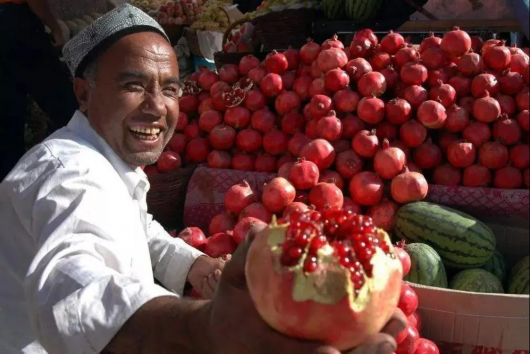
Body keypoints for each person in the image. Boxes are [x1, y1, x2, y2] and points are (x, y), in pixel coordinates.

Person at [0, 4, 406, 354]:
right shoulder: (69, 173)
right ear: (84, 94)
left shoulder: (110, 162)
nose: (157, 108)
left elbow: (139, 227)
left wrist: (194, 263)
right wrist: (203, 328)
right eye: (133, 85)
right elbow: (70, 288)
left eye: (170, 89)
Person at [0, 0, 79, 181]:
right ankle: (88, 156)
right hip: (13, 23)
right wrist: (55, 27)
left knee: (7, 114)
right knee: (65, 106)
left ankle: (8, 186)